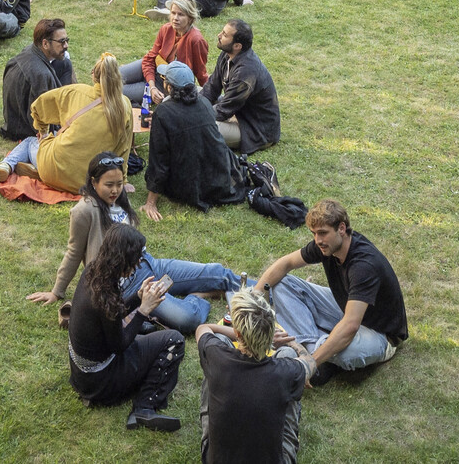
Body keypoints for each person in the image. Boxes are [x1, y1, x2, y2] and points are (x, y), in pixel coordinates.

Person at [31, 153, 248, 337]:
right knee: (188, 320)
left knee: (216, 272)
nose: (115, 190)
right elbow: (73, 252)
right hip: (130, 283)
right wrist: (56, 291)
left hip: (149, 263)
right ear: (93, 182)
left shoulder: (118, 198)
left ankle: (259, 290)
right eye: (109, 185)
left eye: (119, 184)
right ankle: (199, 296)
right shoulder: (84, 211)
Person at [258, 200, 409, 383]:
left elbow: (351, 325)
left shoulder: (363, 266)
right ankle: (314, 349)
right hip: (346, 307)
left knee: (346, 353)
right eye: (314, 234)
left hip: (379, 334)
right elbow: (286, 263)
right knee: (281, 284)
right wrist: (252, 296)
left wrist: (310, 364)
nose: (318, 240)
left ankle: (313, 354)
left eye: (322, 233)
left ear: (342, 228)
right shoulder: (326, 246)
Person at [65, 225, 189, 432]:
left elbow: (111, 316)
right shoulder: (105, 297)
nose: (139, 263)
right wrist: (143, 311)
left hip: (83, 376)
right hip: (101, 383)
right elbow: (120, 346)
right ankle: (144, 407)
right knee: (173, 340)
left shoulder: (93, 271)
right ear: (124, 259)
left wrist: (138, 297)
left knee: (147, 336)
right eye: (137, 258)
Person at [0, 53, 139, 191]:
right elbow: (123, 150)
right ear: (118, 78)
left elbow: (38, 107)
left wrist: (43, 132)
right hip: (89, 182)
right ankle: (34, 167)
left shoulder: (75, 92)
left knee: (31, 141)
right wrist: (122, 182)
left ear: (93, 75)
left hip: (54, 169)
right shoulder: (125, 106)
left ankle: (6, 166)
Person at [196, 286, 311, 464]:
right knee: (288, 355)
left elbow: (204, 328)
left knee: (215, 348)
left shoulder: (217, 358)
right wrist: (293, 344)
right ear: (271, 328)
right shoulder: (286, 372)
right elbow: (309, 362)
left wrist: (237, 335)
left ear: (238, 333)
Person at [147, 60, 247, 211]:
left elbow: (159, 159)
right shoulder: (205, 103)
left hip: (187, 184)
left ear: (168, 86)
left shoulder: (163, 113)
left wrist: (150, 203)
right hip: (216, 178)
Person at [206, 17, 282, 154]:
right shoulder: (226, 55)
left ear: (237, 46)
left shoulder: (246, 72)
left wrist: (191, 117)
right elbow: (211, 88)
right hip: (235, 111)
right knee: (191, 93)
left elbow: (224, 110)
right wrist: (191, 107)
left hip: (253, 128)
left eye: (224, 35)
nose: (219, 35)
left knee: (200, 128)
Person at [120, 0, 210, 107]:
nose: (175, 18)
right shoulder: (166, 29)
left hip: (165, 84)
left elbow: (201, 73)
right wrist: (151, 86)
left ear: (190, 18)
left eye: (181, 14)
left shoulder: (196, 40)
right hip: (150, 68)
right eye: (173, 13)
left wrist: (211, 97)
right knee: (109, 76)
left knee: (114, 91)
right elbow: (150, 58)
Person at [1, 16, 75, 138]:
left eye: (66, 40)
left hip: (14, 115)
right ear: (45, 43)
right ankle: (69, 111)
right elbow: (41, 119)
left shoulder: (31, 49)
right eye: (61, 42)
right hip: (21, 129)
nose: (66, 45)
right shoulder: (42, 76)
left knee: (65, 63)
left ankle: (69, 105)